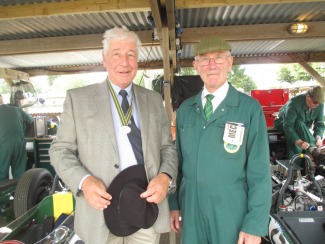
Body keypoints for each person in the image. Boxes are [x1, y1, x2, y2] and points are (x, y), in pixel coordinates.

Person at [49, 27, 178, 244]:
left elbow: (168, 148)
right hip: (99, 211)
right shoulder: (78, 99)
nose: (124, 62)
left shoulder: (154, 100)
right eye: (117, 53)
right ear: (104, 58)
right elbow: (60, 150)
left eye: (131, 54)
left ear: (137, 60)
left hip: (144, 206)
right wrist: (84, 181)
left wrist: (165, 177)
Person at [168, 36, 272, 244]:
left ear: (230, 62)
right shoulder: (185, 110)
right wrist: (174, 203)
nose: (212, 65)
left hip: (231, 210)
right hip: (191, 209)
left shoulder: (249, 109)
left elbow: (259, 173)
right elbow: (176, 163)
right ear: (196, 66)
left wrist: (255, 223)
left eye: (218, 58)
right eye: (205, 59)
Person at [274, 86, 325, 166]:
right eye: (315, 102)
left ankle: (312, 155)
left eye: (319, 103)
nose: (317, 105)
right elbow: (288, 125)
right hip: (283, 123)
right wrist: (298, 141)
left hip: (301, 127)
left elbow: (319, 122)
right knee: (295, 140)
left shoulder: (319, 104)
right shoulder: (294, 102)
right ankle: (314, 152)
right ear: (307, 96)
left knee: (300, 127)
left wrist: (318, 137)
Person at [0, 93, 34, 182]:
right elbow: (31, 120)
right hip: (19, 142)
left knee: (1, 172)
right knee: (19, 171)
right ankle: (19, 193)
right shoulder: (17, 109)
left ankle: (3, 195)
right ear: (2, 99)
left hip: (3, 144)